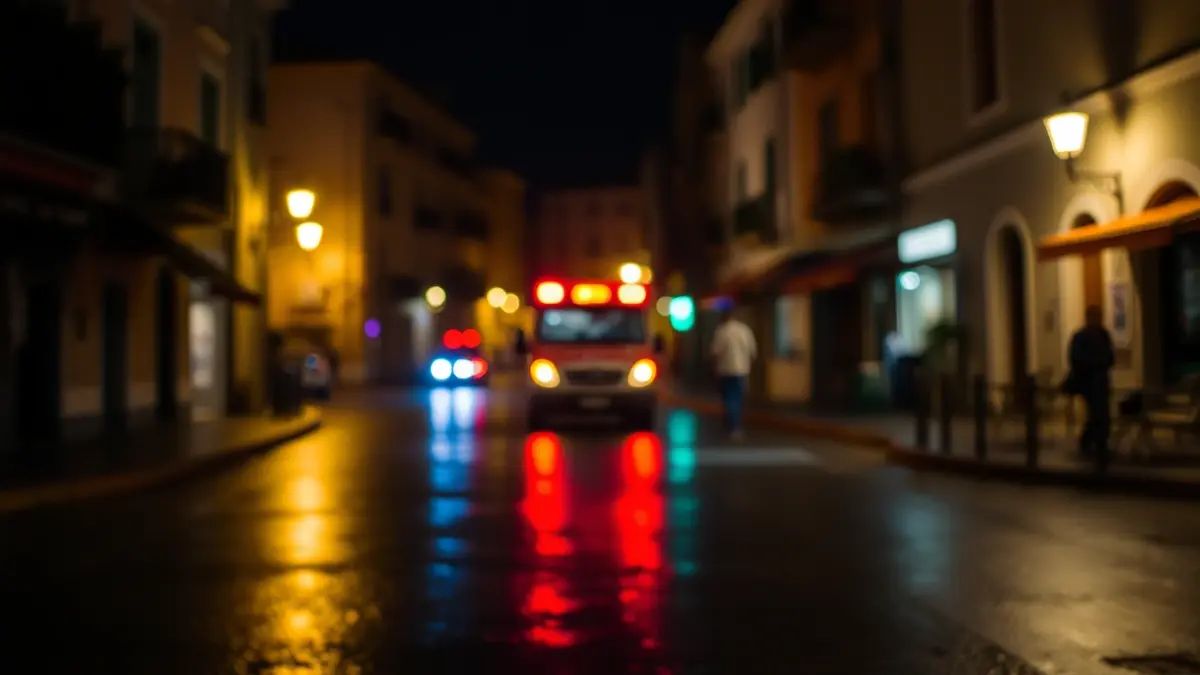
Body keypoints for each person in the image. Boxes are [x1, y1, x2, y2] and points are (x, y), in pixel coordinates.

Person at [1066, 305, 1115, 467]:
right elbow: (1076, 359)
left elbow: (1110, 356)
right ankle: (1093, 443)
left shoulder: (1103, 334)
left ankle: (1098, 443)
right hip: (1089, 383)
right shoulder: (1081, 336)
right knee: (1096, 414)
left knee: (1101, 414)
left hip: (1100, 382)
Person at [710, 306, 757, 440]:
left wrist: (713, 368)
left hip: (725, 370)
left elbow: (715, 352)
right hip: (742, 370)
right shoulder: (745, 330)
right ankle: (734, 425)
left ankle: (732, 425)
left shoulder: (722, 331)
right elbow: (753, 351)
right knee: (737, 396)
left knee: (728, 397)